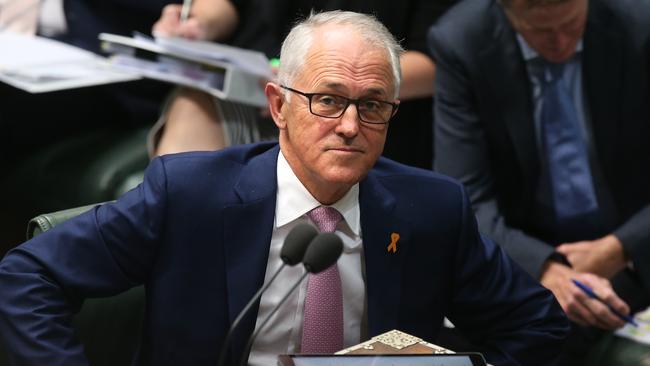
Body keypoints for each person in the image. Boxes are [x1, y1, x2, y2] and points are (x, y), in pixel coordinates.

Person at [0, 11, 568, 366]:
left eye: (372, 106)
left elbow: (538, 325)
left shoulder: (432, 208)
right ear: (278, 105)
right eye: (328, 100)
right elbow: (28, 274)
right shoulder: (190, 193)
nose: (350, 125)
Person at [429, 0, 650, 362]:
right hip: (530, 252)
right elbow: (464, 196)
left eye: (572, 25)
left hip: (635, 241)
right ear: (505, 11)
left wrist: (619, 247)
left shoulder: (640, 22)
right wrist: (546, 267)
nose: (561, 42)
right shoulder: (463, 40)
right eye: (542, 32)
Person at [150, 0, 457, 169]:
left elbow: (436, 63)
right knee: (192, 108)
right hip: (253, 88)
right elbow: (225, 5)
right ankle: (183, 261)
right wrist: (198, 24)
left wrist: (317, 81)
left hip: (354, 105)